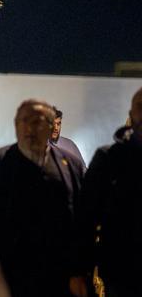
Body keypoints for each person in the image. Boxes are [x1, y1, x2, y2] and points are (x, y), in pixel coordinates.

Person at [0, 99, 84, 296]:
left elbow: (80, 220)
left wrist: (78, 271)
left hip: (58, 274)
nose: (28, 128)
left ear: (51, 126)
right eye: (22, 121)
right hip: (10, 274)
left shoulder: (70, 165)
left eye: (36, 122)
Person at [72, 86, 142, 297]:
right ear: (131, 115)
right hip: (124, 276)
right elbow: (85, 218)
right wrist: (78, 271)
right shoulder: (108, 159)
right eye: (141, 107)